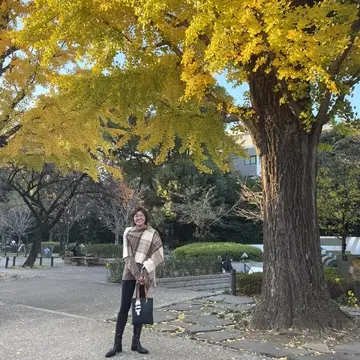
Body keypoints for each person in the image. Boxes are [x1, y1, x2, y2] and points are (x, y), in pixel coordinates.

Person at [105, 207, 164, 358]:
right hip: (129, 273)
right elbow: (127, 255)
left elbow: (158, 254)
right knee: (123, 307)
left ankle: (135, 342)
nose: (138, 218)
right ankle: (117, 344)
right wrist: (136, 274)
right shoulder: (128, 232)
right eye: (136, 216)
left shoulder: (153, 233)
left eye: (141, 215)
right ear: (133, 218)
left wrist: (143, 272)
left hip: (145, 274)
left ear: (146, 217)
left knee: (140, 308)